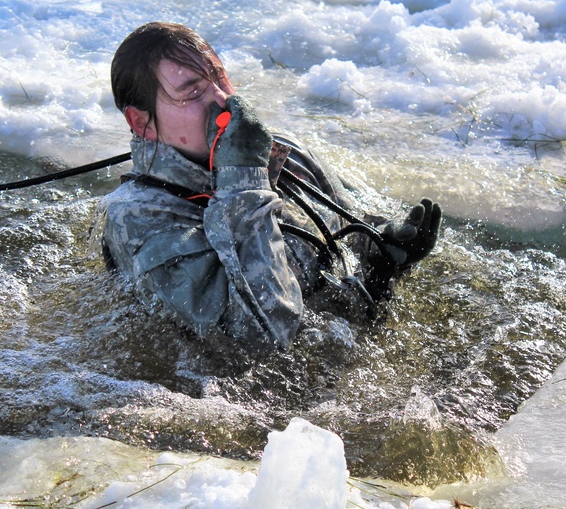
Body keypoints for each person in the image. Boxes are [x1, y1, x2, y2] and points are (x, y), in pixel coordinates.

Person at [101, 22, 440, 350]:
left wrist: (386, 252)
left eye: (218, 76)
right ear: (141, 122)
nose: (221, 98)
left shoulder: (282, 150)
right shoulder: (138, 217)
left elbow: (348, 229)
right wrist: (243, 177)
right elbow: (264, 337)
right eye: (192, 91)